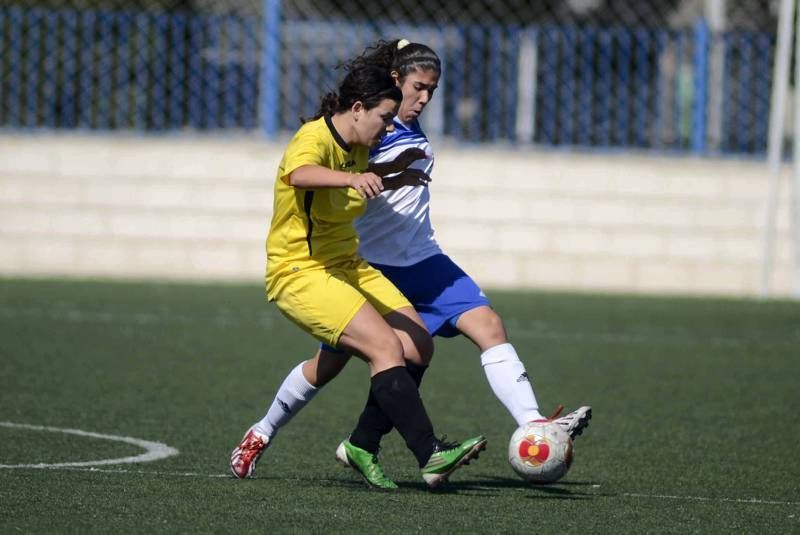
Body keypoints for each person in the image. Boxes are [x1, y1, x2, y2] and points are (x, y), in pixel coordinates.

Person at [231, 40, 591, 490]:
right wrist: (354, 177)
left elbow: (383, 177)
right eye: (417, 88)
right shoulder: (353, 134)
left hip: (418, 258)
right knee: (334, 365)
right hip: (352, 265)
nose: (423, 99)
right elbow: (301, 171)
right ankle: (268, 431)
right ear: (392, 84)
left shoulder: (381, 133)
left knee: (463, 333)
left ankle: (531, 424)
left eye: (432, 91)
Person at [229, 63, 486, 489]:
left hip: (349, 266)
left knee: (418, 345)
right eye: (384, 119)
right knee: (385, 347)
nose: (388, 129)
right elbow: (299, 174)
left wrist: (397, 175)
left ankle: (358, 443)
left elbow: (364, 180)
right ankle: (431, 454)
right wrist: (352, 177)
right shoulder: (312, 138)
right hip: (301, 272)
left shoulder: (363, 144)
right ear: (357, 108)